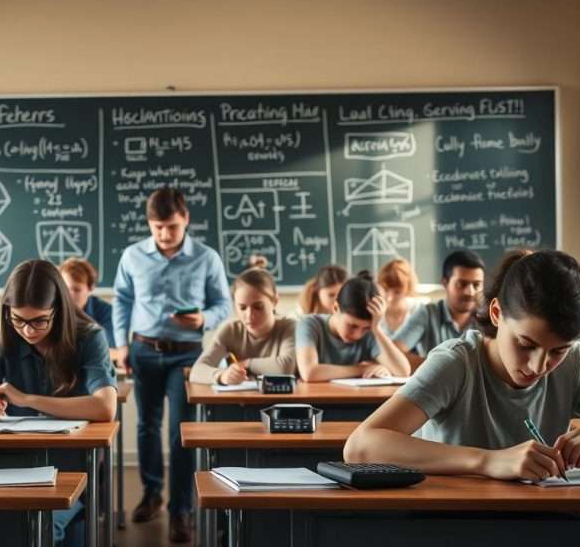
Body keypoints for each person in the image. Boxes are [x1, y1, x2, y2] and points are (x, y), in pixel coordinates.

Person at [345, 250, 580, 481]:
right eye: (526, 344)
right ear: (498, 315)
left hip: (542, 521)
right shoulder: (456, 362)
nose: (539, 365)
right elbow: (360, 446)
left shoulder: (575, 364)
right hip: (451, 520)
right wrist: (488, 461)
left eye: (557, 350)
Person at [0, 259, 116, 547]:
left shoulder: (90, 337)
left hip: (70, 464)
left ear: (60, 309)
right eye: (18, 319)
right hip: (9, 462)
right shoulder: (1, 339)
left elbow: (105, 407)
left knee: (37, 526)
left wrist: (28, 399)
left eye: (39, 320)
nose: (28, 330)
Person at [112, 187, 231, 543]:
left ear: (186, 221)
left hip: (187, 352)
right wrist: (119, 345)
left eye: (172, 227)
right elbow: (121, 299)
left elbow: (223, 304)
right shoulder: (133, 255)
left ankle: (181, 510)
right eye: (158, 227)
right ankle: (151, 494)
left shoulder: (206, 257)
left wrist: (203, 319)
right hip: (143, 349)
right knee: (147, 425)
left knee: (182, 430)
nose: (165, 235)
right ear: (150, 224)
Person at [190, 257, 295, 385]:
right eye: (242, 308)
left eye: (258, 307)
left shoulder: (290, 326)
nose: (249, 315)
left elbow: (286, 367)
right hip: (242, 401)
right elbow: (196, 371)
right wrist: (222, 376)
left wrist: (246, 363)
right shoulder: (230, 330)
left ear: (274, 301)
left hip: (283, 402)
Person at [295, 272, 411, 382]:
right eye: (352, 326)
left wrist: (376, 329)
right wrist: (363, 369)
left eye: (366, 328)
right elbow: (309, 373)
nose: (357, 335)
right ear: (336, 307)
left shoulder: (372, 332)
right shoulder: (310, 324)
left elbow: (403, 371)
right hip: (317, 400)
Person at [391, 250, 486, 368]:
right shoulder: (427, 313)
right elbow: (392, 353)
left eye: (476, 285)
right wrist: (444, 368)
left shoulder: (489, 317)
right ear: (445, 283)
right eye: (462, 284)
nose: (470, 292)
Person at [59, 257, 115, 354]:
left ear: (90, 288)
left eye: (76, 290)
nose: (69, 296)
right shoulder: (50, 310)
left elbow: (111, 351)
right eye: (65, 289)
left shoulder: (106, 311)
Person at [377, 258, 418, 337]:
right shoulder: (375, 310)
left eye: (397, 292)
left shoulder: (416, 309)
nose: (390, 298)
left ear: (407, 289)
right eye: (385, 289)